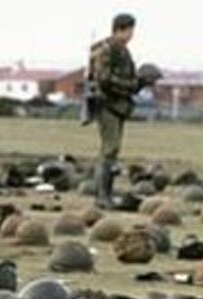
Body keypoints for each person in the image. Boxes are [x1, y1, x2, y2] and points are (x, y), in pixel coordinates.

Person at [87, 13, 155, 209]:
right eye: (130, 30)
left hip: (118, 105)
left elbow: (127, 80)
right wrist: (131, 84)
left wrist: (139, 83)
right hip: (107, 104)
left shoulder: (122, 51)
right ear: (120, 29)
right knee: (109, 150)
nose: (132, 34)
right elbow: (105, 79)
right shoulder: (107, 50)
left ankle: (106, 194)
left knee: (112, 151)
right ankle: (102, 197)